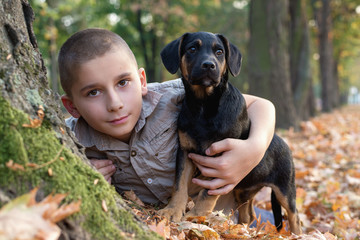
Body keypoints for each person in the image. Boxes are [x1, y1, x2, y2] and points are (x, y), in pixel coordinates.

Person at [59, 28, 276, 217]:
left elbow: (261, 104)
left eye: (123, 82)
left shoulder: (173, 96)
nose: (114, 104)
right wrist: (81, 176)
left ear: (142, 81)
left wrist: (254, 148)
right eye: (93, 92)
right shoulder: (68, 139)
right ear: (72, 107)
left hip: (230, 216)